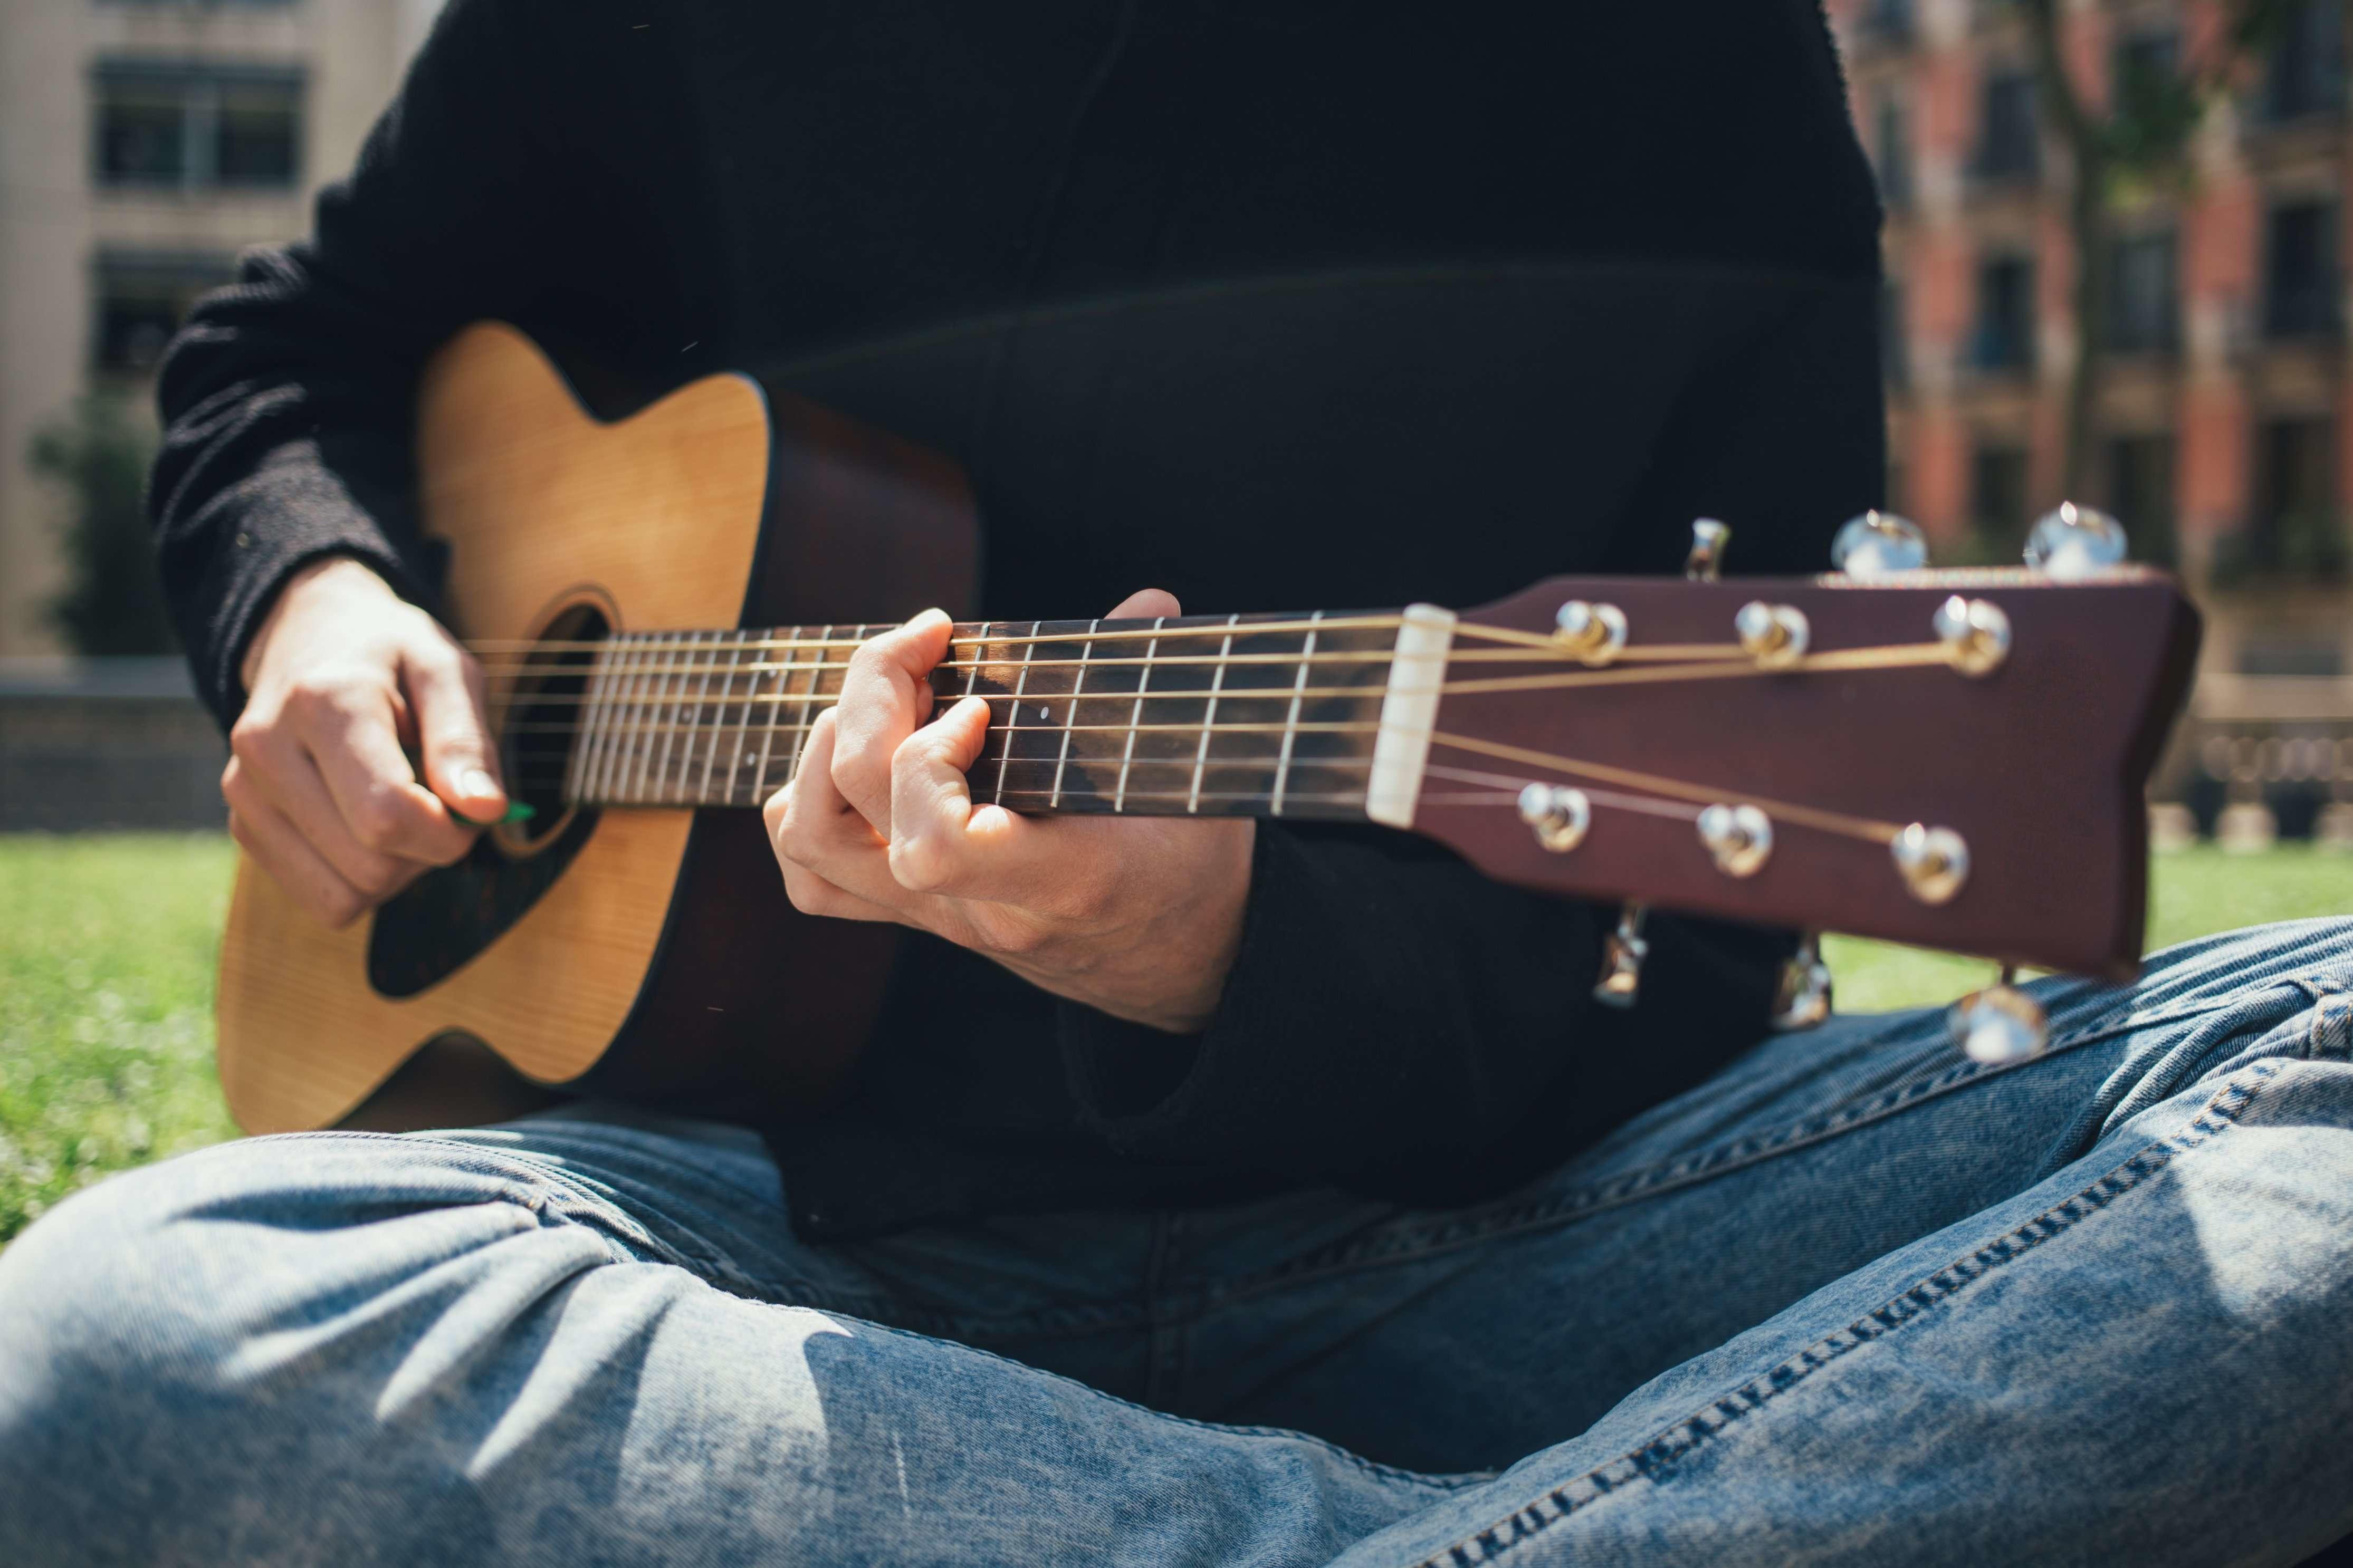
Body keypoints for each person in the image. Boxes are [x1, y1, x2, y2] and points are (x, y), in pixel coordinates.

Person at [2, 3, 2349, 1562]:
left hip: (1488, 1252)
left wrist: (1223, 938)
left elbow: (1705, 954)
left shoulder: (1684, 63)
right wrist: (316, 601)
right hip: (757, 1229)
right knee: (128, 1327)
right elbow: (292, 349)